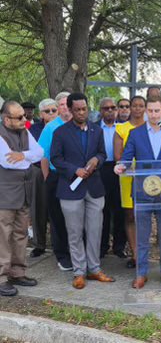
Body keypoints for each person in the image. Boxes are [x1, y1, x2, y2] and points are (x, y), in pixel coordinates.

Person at [115, 97, 161, 289]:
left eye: (157, 111)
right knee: (142, 235)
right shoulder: (135, 133)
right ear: (146, 112)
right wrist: (122, 166)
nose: (154, 114)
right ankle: (141, 273)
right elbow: (126, 157)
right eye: (151, 111)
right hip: (142, 192)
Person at [51, 93, 114, 289]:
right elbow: (55, 158)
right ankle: (79, 272)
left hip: (94, 188)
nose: (81, 112)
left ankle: (94, 269)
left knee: (95, 231)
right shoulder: (60, 132)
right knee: (74, 232)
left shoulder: (96, 130)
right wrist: (73, 170)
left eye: (84, 109)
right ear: (69, 110)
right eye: (77, 109)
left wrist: (97, 160)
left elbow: (103, 153)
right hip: (71, 189)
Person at [0, 101, 43, 296]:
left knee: (20, 234)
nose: (24, 119)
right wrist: (27, 158)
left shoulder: (25, 131)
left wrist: (22, 155)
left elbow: (39, 153)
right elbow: (8, 163)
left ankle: (18, 272)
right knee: (3, 237)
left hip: (24, 193)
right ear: (6, 119)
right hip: (5, 195)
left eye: (24, 116)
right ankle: (1, 278)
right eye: (19, 117)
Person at [38, 92, 72, 271]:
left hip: (76, 177)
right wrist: (47, 178)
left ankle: (75, 253)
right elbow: (43, 155)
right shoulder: (51, 127)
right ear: (58, 107)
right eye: (61, 105)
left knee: (74, 217)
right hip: (55, 176)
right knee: (57, 217)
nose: (65, 107)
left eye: (68, 104)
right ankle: (62, 255)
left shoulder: (78, 124)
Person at [114, 95, 146, 268]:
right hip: (128, 177)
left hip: (149, 178)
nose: (138, 109)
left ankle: (145, 252)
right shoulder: (121, 129)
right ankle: (135, 255)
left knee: (145, 215)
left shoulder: (152, 128)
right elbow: (119, 156)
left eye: (141, 106)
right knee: (130, 215)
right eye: (134, 105)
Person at [29, 98, 58, 258]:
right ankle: (39, 244)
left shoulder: (63, 126)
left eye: (54, 110)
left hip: (56, 171)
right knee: (38, 208)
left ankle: (57, 243)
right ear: (41, 114)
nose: (52, 113)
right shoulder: (34, 129)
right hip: (38, 171)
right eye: (48, 111)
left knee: (56, 208)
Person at [98, 98, 126, 258]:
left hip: (119, 169)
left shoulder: (122, 127)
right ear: (101, 110)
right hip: (101, 170)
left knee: (120, 209)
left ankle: (119, 246)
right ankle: (102, 246)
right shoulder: (94, 127)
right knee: (103, 210)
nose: (110, 110)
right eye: (106, 108)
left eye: (112, 107)